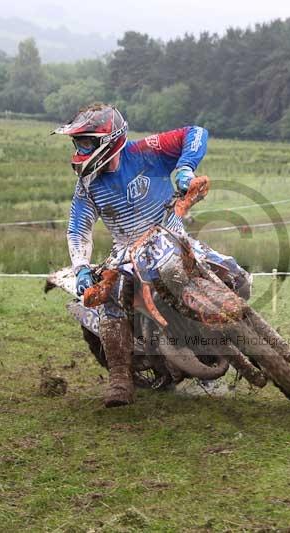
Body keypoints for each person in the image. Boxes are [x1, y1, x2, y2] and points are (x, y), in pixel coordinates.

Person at [53, 103, 251, 408]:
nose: (79, 149)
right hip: (126, 253)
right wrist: (80, 267)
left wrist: (185, 168)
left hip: (174, 238)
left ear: (107, 140)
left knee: (236, 276)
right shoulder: (88, 186)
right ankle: (120, 378)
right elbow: (78, 229)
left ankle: (221, 338)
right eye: (77, 142)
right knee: (111, 299)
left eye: (85, 142)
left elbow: (195, 133)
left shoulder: (145, 152)